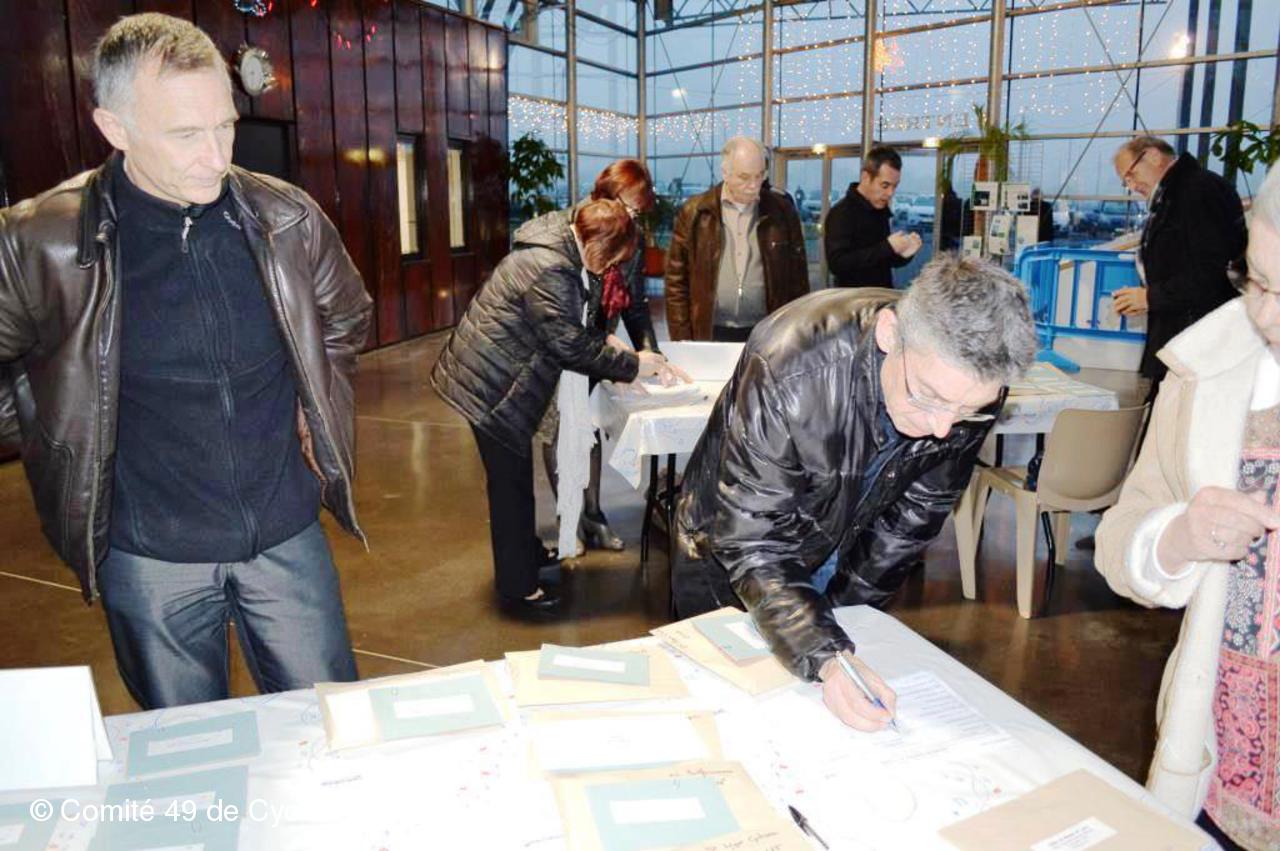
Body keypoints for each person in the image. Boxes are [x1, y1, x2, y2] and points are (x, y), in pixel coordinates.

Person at [0, 14, 372, 709]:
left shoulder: (285, 218)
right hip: (149, 556)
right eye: (184, 134)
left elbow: (345, 317)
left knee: (329, 724)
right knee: (184, 748)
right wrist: (50, 423)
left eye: (224, 126)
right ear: (114, 128)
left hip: (286, 535)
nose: (216, 155)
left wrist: (309, 400)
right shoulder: (38, 240)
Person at [674, 254, 1038, 730]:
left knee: (815, 713)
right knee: (727, 713)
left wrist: (840, 638)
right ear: (890, 334)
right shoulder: (792, 363)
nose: (943, 428)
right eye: (927, 396)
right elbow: (752, 536)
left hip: (841, 540)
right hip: (730, 550)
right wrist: (828, 655)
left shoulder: (970, 386)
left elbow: (909, 524)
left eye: (967, 411)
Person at [1094, 163, 1280, 851]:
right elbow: (1120, 538)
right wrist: (1179, 536)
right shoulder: (1209, 368)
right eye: (1256, 281)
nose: (1265, 315)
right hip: (1222, 773)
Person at [432, 200, 681, 615]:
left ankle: (526, 554)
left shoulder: (557, 245)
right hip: (490, 384)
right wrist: (633, 366)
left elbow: (567, 326)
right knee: (511, 487)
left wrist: (612, 347)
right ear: (597, 246)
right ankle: (519, 587)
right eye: (610, 260)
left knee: (512, 481)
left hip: (493, 371)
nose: (608, 269)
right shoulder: (552, 267)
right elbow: (567, 345)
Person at [518, 160, 676, 553]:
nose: (633, 217)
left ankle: (593, 513)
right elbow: (557, 308)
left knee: (587, 425)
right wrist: (607, 345)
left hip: (596, 345)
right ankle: (568, 516)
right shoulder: (576, 229)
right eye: (629, 207)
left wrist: (649, 351)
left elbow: (635, 303)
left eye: (638, 211)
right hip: (560, 343)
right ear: (607, 196)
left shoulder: (630, 236)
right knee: (559, 428)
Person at [1111, 136, 1245, 391]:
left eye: (1131, 174)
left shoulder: (1199, 190)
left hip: (1198, 342)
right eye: (1126, 181)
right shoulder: (1175, 194)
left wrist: (1150, 297)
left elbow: (1213, 272)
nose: (1132, 186)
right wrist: (1149, 298)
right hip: (1180, 336)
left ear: (1152, 155)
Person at [664, 136, 809, 342]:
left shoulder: (782, 212)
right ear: (725, 172)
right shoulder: (695, 212)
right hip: (709, 332)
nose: (753, 185)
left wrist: (793, 334)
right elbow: (676, 283)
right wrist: (682, 339)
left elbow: (798, 281)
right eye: (744, 177)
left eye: (759, 176)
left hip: (767, 332)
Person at [824, 145, 922, 287]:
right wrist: (888, 247)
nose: (890, 193)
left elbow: (882, 261)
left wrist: (903, 254)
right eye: (885, 185)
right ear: (865, 177)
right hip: (855, 299)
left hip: (881, 295)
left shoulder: (880, 209)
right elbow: (837, 264)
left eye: (894, 186)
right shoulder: (841, 213)